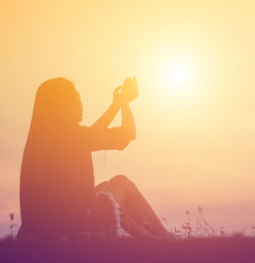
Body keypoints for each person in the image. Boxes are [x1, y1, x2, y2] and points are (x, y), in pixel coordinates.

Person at [18, 77, 171, 240]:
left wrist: (116, 104)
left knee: (103, 187)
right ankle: (164, 238)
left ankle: (152, 239)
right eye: (77, 98)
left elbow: (93, 133)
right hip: (73, 228)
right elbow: (128, 134)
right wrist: (126, 103)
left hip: (47, 228)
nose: (81, 104)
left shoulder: (44, 139)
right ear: (65, 106)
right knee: (121, 182)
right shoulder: (72, 136)